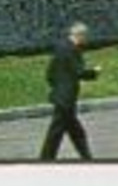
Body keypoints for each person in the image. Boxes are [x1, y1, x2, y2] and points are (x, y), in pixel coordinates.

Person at [40, 22, 100, 160]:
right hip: (66, 98)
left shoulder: (61, 47)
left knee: (73, 130)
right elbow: (79, 72)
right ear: (80, 35)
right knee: (57, 131)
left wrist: (56, 87)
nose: (86, 40)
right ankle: (46, 159)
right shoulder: (72, 49)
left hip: (60, 95)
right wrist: (94, 72)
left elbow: (50, 73)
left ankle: (85, 156)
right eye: (85, 37)